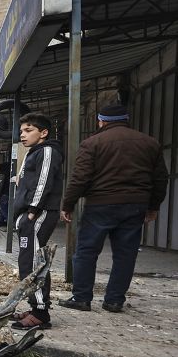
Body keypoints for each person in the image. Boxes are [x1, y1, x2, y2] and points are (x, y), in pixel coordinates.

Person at [58, 102, 170, 313]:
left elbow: (80, 178)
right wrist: (153, 206)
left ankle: (81, 298)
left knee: (86, 252)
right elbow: (160, 179)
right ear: (126, 120)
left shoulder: (92, 143)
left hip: (100, 205)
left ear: (101, 121)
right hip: (135, 206)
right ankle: (114, 301)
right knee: (126, 254)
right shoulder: (150, 143)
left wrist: (68, 204)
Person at [10, 113, 63, 330]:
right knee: (28, 261)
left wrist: (32, 211)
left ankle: (40, 313)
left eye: (28, 130)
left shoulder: (48, 151)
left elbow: (43, 182)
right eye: (22, 131)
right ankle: (35, 308)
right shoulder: (35, 152)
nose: (23, 134)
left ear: (43, 133)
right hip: (30, 216)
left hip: (38, 214)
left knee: (33, 261)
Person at [0, 160, 10, 228]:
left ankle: (12, 225)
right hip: (9, 194)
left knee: (4, 211)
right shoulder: (10, 175)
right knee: (3, 210)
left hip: (3, 195)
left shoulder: (2, 175)